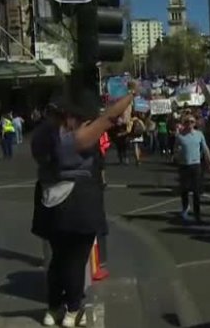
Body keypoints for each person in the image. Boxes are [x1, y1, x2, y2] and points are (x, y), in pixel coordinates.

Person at [35, 83, 136, 327]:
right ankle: (73, 310)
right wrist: (132, 93)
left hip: (49, 204)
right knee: (75, 262)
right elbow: (110, 116)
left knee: (57, 259)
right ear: (71, 117)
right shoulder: (78, 139)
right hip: (77, 204)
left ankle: (53, 310)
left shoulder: (41, 138)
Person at [174, 115, 210, 223]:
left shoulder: (199, 134)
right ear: (184, 123)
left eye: (192, 121)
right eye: (187, 121)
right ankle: (185, 209)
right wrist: (177, 156)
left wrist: (209, 161)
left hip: (196, 165)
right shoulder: (179, 136)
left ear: (195, 123)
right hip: (184, 165)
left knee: (196, 191)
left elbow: (205, 149)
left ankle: (197, 214)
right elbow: (175, 150)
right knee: (184, 190)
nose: (189, 123)